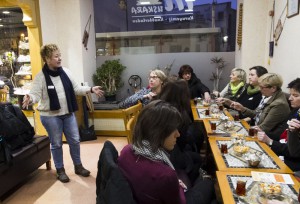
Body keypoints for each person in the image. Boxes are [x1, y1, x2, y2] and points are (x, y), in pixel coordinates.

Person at [22, 44, 104, 183]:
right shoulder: (41, 77)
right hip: (50, 116)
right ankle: (60, 170)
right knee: (56, 144)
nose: (60, 58)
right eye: (56, 56)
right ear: (47, 59)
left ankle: (78, 167)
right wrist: (30, 98)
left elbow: (76, 89)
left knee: (75, 140)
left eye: (60, 55)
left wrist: (90, 89)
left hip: (68, 114)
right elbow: (35, 95)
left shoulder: (66, 72)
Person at [118, 100, 216, 204]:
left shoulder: (126, 150)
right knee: (208, 183)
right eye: (174, 130)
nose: (178, 134)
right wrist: (179, 188)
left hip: (146, 195)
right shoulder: (165, 174)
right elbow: (180, 201)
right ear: (158, 133)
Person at [157, 79, 203, 183]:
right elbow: (181, 142)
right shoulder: (178, 113)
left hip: (158, 148)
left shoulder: (157, 105)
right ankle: (191, 182)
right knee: (198, 158)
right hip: (169, 154)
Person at [257, 78, 300, 171]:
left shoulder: (279, 104)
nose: (290, 98)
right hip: (282, 153)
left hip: (292, 164)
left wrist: (270, 141)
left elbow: (295, 152)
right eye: (291, 94)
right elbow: (282, 134)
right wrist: (264, 133)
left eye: (295, 95)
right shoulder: (296, 111)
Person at [231, 73, 290, 141]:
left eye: (262, 87)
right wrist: (242, 109)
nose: (259, 89)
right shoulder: (268, 96)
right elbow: (257, 114)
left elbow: (264, 128)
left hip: (266, 138)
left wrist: (241, 131)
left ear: (273, 88)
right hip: (258, 131)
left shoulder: (279, 104)